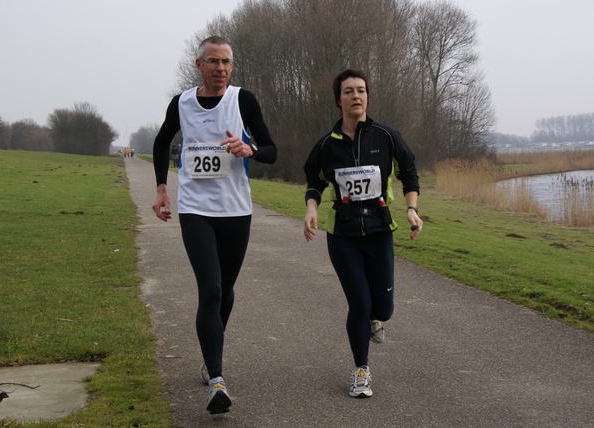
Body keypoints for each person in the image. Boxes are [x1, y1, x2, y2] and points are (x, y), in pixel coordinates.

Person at [151, 35, 277, 414]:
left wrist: (249, 148)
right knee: (209, 289)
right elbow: (161, 143)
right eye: (213, 62)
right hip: (195, 211)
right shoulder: (183, 103)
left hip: (236, 211)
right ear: (198, 65)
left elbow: (271, 150)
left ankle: (210, 355)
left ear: (231, 67)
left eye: (226, 62)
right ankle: (217, 380)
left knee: (225, 291)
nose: (220, 69)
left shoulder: (244, 101)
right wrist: (161, 189)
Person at [303, 69, 421, 398]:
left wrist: (412, 209)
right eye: (349, 91)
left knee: (382, 309)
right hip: (342, 235)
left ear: (368, 96)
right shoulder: (327, 144)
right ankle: (361, 370)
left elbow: (409, 172)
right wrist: (311, 208)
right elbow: (313, 180)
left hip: (380, 231)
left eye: (361, 90)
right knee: (360, 303)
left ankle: (375, 319)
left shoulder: (386, 136)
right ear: (338, 100)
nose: (356, 96)